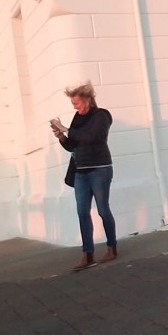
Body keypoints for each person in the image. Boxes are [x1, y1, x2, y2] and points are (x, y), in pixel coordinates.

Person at [51, 82, 117, 271]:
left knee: (103, 210)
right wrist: (61, 136)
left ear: (88, 99)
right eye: (73, 104)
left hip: (99, 169)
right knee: (82, 212)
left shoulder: (101, 115)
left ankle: (111, 247)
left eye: (77, 103)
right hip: (80, 171)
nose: (75, 107)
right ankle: (88, 255)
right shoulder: (77, 119)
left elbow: (92, 137)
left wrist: (66, 129)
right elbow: (72, 145)